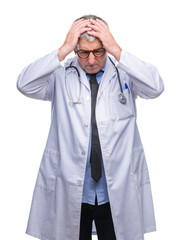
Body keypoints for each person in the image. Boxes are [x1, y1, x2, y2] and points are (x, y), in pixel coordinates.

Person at [17, 14, 164, 240]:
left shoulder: (124, 73)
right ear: (76, 49)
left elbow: (155, 87)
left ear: (106, 46)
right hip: (74, 189)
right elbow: (24, 84)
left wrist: (117, 50)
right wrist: (62, 50)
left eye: (99, 51)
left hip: (114, 189)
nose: (92, 60)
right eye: (83, 52)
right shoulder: (60, 74)